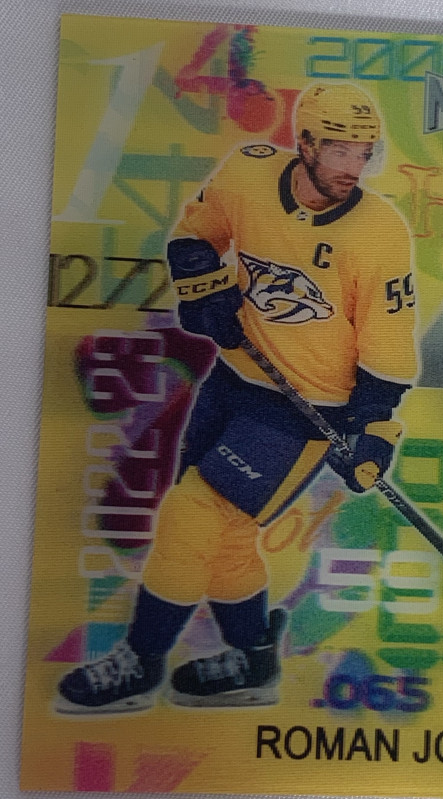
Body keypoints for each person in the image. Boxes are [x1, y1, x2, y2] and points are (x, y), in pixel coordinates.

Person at [56, 83, 418, 713]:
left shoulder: (380, 232)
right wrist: (204, 288)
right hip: (232, 381)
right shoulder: (249, 173)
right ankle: (253, 661)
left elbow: (388, 341)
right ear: (305, 142)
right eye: (339, 150)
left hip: (307, 410)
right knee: (223, 536)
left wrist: (373, 427)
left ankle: (140, 661)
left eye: (364, 153)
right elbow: (194, 237)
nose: (352, 167)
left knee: (189, 517)